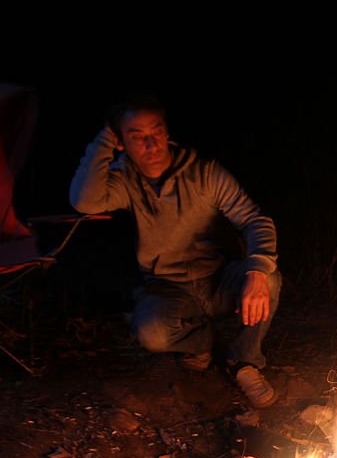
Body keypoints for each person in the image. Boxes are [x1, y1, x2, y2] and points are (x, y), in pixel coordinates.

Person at [69, 95, 281, 408]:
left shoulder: (205, 173)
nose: (151, 145)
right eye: (137, 137)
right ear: (121, 142)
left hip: (218, 277)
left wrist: (257, 271)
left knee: (270, 278)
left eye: (156, 132)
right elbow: (83, 201)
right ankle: (199, 344)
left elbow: (254, 219)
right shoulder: (124, 180)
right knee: (151, 331)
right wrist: (103, 140)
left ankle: (245, 362)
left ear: (167, 132)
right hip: (168, 287)